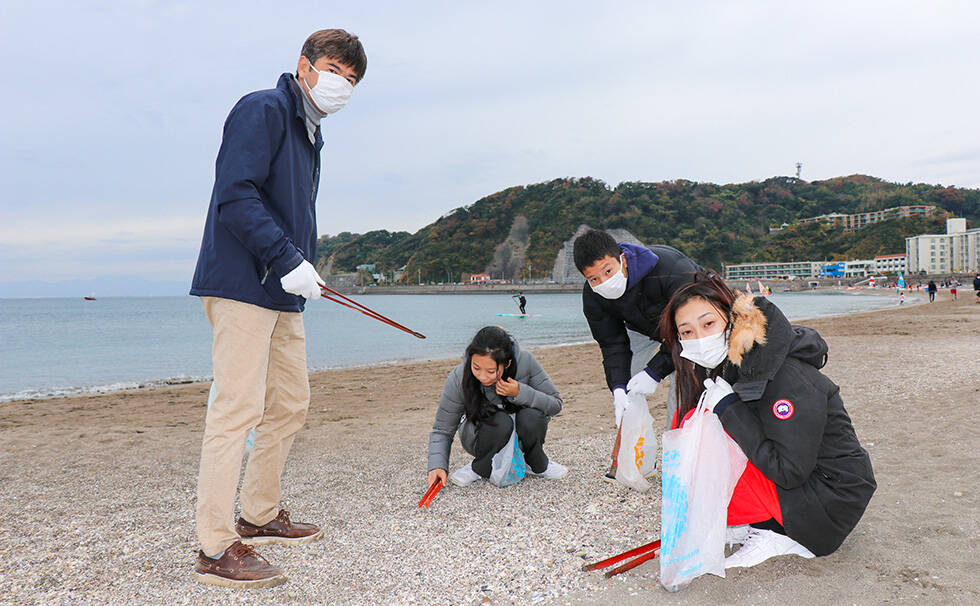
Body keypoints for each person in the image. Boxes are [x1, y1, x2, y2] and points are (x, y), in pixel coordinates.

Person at [188, 29, 367, 588]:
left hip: (282, 290)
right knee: (236, 409)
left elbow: (290, 212)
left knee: (290, 402)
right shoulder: (263, 109)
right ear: (304, 66)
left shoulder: (311, 134)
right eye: (334, 69)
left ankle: (259, 513)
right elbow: (235, 194)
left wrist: (302, 269)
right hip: (243, 283)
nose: (341, 84)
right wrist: (287, 258)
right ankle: (215, 546)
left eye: (352, 79)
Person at [659, 273, 876, 568]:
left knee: (712, 428)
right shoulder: (738, 363)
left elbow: (790, 471)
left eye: (708, 324)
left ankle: (774, 531)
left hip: (830, 501)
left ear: (732, 320)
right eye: (686, 332)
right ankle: (755, 519)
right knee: (691, 421)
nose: (699, 338)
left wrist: (728, 408)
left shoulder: (784, 375)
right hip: (809, 486)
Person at [572, 229, 702, 479]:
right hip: (642, 327)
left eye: (608, 271)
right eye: (594, 278)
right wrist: (618, 387)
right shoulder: (593, 295)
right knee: (629, 384)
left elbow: (690, 331)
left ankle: (680, 460)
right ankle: (637, 457)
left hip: (692, 325)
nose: (603, 282)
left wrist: (654, 372)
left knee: (683, 384)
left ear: (622, 259)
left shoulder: (671, 269)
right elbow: (612, 344)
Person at [427, 326, 567, 488]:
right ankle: (480, 467)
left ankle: (535, 463)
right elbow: (443, 428)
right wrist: (437, 466)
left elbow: (555, 404)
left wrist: (520, 392)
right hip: (481, 435)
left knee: (531, 416)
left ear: (507, 363)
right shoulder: (459, 375)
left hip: (522, 431)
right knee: (500, 421)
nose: (483, 377)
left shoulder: (526, 361)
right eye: (476, 368)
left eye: (491, 371)